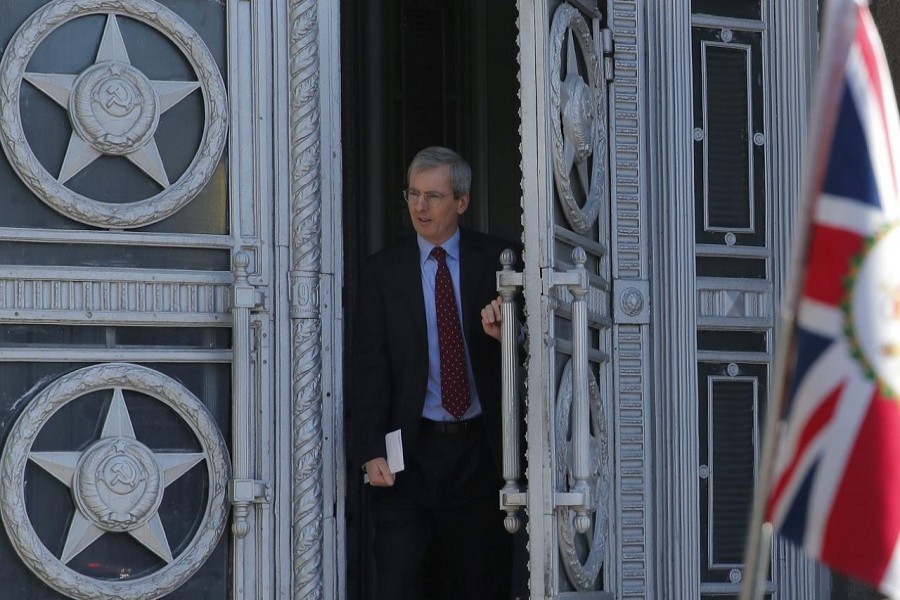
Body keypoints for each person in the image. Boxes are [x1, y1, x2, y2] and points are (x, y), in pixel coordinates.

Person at [351, 146, 514, 599]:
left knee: (478, 581)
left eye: (434, 196)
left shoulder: (502, 261)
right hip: (411, 453)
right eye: (413, 194)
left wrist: (509, 338)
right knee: (399, 581)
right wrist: (369, 450)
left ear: (461, 202)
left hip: (480, 453)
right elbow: (369, 365)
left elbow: (539, 355)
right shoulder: (383, 272)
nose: (420, 207)